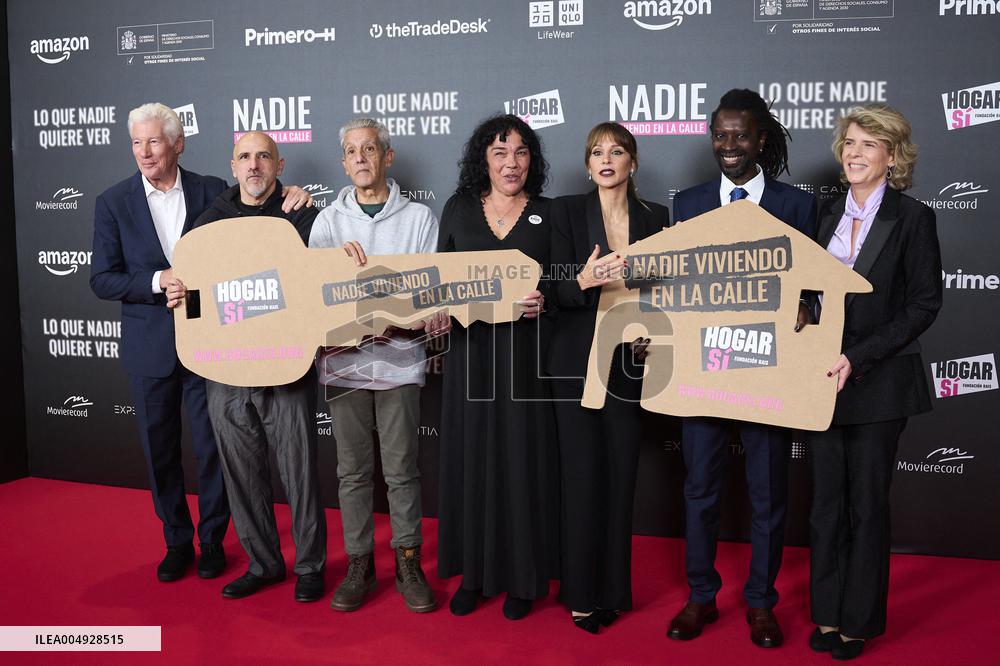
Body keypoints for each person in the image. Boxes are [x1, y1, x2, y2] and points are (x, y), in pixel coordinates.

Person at [91, 102, 309, 583]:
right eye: (136, 143)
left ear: (177, 143)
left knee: (214, 449)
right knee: (159, 449)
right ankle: (175, 541)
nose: (144, 152)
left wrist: (294, 193)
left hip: (213, 344)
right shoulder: (112, 202)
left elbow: (263, 200)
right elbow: (102, 279)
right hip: (150, 349)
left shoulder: (214, 190)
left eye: (153, 141)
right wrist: (155, 280)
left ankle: (212, 540)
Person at [668, 88, 817, 648]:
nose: (728, 146)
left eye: (740, 135)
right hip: (705, 370)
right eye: (720, 135)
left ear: (761, 140)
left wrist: (809, 306)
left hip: (770, 371)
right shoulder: (689, 202)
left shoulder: (798, 205)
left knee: (767, 492)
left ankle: (760, 602)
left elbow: (816, 290)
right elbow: (675, 284)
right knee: (700, 489)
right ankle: (701, 596)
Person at [166, 132, 326, 602]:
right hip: (227, 369)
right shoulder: (208, 222)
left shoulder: (303, 214)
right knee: (241, 471)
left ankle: (310, 566)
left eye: (263, 157)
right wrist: (179, 295)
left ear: (279, 164)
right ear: (231, 166)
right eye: (244, 157)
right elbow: (193, 294)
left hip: (286, 365)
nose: (253, 166)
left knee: (299, 471)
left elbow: (319, 284)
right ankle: (264, 564)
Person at [807, 105, 942, 661]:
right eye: (849, 144)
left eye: (868, 145)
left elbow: (923, 304)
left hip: (879, 382)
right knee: (824, 505)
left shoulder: (913, 218)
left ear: (892, 156)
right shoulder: (825, 212)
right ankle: (827, 613)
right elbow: (807, 294)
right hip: (818, 380)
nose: (854, 153)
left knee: (865, 504)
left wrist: (855, 357)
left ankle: (857, 621)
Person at [308, 118, 443, 613]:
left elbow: (429, 292)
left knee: (403, 470)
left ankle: (408, 560)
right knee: (352, 472)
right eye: (351, 151)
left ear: (387, 157)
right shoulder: (326, 223)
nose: (361, 157)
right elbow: (314, 296)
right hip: (344, 364)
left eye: (370, 148)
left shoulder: (420, 220)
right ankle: (359, 563)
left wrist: (404, 314)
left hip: (400, 361)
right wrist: (331, 268)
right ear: (343, 163)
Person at [547, 123, 669, 633]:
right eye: (596, 151)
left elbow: (668, 291)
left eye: (616, 151)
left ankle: (614, 589)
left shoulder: (656, 217)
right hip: (576, 362)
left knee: (621, 476)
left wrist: (653, 336)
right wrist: (583, 279)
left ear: (632, 163)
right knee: (580, 477)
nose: (606, 159)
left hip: (631, 362)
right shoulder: (565, 211)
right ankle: (580, 592)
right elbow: (552, 288)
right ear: (587, 163)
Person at [436, 114, 557, 621]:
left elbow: (564, 285)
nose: (512, 163)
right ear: (482, 160)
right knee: (473, 460)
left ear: (533, 160)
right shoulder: (459, 209)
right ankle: (475, 575)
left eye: (522, 152)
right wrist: (437, 307)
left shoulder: (552, 215)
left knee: (521, 463)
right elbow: (437, 280)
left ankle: (523, 580)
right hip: (470, 358)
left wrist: (544, 300)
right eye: (500, 153)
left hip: (527, 360)